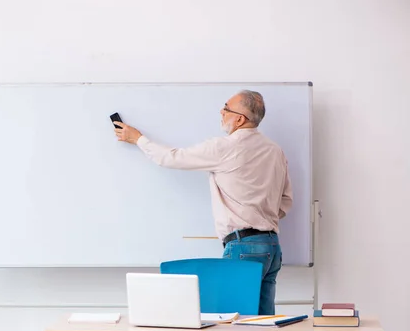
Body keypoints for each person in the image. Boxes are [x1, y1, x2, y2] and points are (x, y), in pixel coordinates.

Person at [113, 90, 292, 315]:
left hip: (243, 247)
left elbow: (170, 157)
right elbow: (286, 201)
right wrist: (262, 216)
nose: (221, 112)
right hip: (272, 247)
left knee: (232, 323)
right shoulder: (275, 151)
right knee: (263, 325)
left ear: (239, 119)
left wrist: (137, 138)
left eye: (226, 108)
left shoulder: (225, 147)